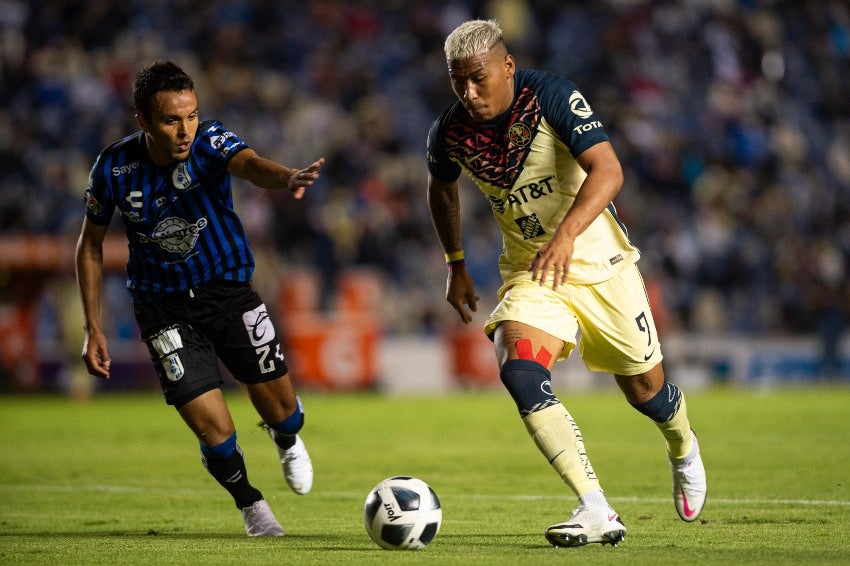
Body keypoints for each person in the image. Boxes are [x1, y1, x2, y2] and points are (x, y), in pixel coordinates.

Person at [426, 20, 706, 547]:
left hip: (601, 266)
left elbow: (609, 169)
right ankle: (595, 507)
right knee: (519, 369)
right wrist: (456, 264)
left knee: (647, 393)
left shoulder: (551, 97)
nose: (468, 93)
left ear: (507, 67)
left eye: (478, 78)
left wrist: (567, 235)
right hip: (534, 274)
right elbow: (441, 190)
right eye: (457, 81)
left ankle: (683, 444)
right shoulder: (450, 132)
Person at [75, 61, 325, 537]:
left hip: (230, 292)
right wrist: (93, 326)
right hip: (162, 308)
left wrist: (287, 177)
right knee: (214, 430)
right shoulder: (113, 167)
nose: (185, 129)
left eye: (191, 115)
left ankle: (286, 437)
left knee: (284, 410)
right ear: (143, 121)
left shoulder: (210, 141)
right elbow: (89, 246)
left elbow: (251, 165)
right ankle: (251, 506)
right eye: (171, 120)